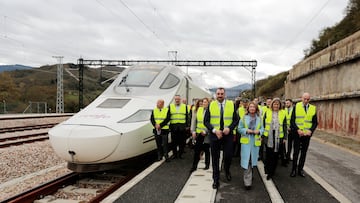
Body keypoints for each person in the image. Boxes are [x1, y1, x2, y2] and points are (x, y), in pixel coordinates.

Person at [204, 87, 239, 189]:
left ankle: (227, 170)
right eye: (218, 94)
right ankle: (216, 180)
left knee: (228, 156)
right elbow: (206, 121)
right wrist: (215, 130)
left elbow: (236, 120)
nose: (220, 95)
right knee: (215, 158)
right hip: (215, 135)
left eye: (221, 94)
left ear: (225, 94)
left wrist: (229, 128)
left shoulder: (231, 105)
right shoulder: (211, 105)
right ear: (216, 95)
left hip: (228, 135)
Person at [290, 92, 318, 177]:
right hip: (298, 134)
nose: (306, 100)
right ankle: (293, 170)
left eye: (308, 99)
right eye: (304, 99)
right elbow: (292, 121)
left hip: (307, 135)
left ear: (309, 99)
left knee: (303, 153)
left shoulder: (313, 108)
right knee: (296, 152)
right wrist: (298, 130)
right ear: (301, 98)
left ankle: (300, 170)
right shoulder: (296, 107)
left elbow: (315, 123)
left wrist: (311, 131)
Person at [238, 101, 264, 190]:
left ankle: (250, 176)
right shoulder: (244, 118)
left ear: (256, 108)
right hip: (246, 143)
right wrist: (246, 130)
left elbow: (262, 128)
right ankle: (247, 182)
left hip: (255, 143)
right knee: (247, 161)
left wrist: (259, 132)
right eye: (250, 107)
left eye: (254, 107)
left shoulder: (260, 118)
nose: (252, 108)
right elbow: (239, 128)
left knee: (252, 161)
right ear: (248, 108)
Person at [263, 98, 287, 180]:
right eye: (274, 104)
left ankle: (272, 171)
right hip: (268, 136)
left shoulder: (283, 113)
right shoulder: (267, 112)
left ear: (280, 105)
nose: (276, 105)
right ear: (272, 104)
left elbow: (284, 126)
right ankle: (268, 171)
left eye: (278, 104)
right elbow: (263, 124)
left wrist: (285, 138)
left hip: (278, 136)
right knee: (269, 154)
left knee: (276, 155)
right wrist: (262, 135)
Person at [190, 98, 211, 172]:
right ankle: (194, 166)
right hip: (199, 133)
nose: (204, 103)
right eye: (203, 102)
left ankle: (207, 165)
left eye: (206, 102)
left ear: (208, 103)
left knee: (206, 149)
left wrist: (206, 131)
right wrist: (193, 131)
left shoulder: (211, 111)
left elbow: (211, 123)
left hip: (206, 134)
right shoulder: (198, 110)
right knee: (197, 150)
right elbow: (194, 121)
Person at [169, 95, 189, 159]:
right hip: (173, 127)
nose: (177, 100)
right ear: (174, 100)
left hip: (182, 127)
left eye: (178, 99)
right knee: (173, 142)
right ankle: (175, 155)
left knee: (182, 142)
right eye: (176, 99)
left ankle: (180, 154)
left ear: (180, 100)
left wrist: (187, 125)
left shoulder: (184, 106)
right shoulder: (170, 106)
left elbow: (186, 117)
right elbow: (168, 116)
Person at [285, 99, 294, 163]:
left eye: (288, 103)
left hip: (293, 129)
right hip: (286, 129)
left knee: (291, 143)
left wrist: (291, 127)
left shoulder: (294, 110)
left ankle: (290, 155)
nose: (286, 104)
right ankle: (287, 156)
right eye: (286, 103)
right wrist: (286, 128)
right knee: (287, 144)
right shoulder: (284, 110)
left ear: (291, 103)